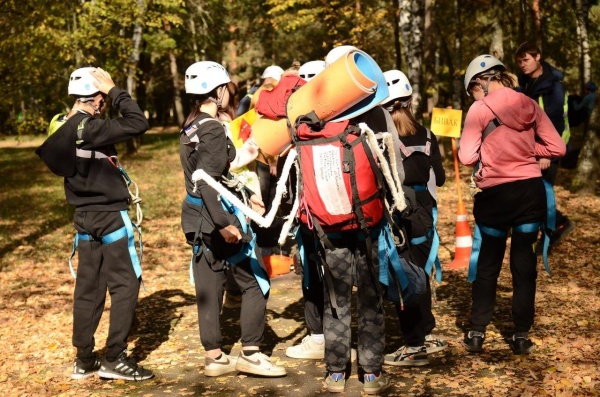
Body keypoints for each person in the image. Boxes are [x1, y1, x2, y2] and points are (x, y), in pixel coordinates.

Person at [36, 67, 153, 380]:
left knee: (88, 290)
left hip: (83, 218)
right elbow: (138, 123)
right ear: (96, 98)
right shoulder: (92, 127)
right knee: (125, 286)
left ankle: (84, 359)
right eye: (102, 96)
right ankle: (115, 358)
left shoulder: (61, 129)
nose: (105, 101)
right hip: (109, 215)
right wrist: (116, 91)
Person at [179, 61, 286, 377]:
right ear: (219, 90)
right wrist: (224, 223)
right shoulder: (212, 128)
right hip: (215, 217)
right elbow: (206, 180)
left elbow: (215, 174)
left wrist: (243, 186)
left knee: (209, 287)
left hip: (196, 217)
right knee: (255, 281)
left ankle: (214, 357)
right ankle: (251, 353)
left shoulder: (192, 126)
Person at [459, 55, 566, 354]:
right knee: (524, 264)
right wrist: (529, 150)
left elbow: (467, 157)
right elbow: (557, 147)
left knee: (489, 264)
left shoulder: (479, 109)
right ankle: (521, 335)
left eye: (472, 88)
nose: (474, 95)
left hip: (495, 196)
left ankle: (477, 331)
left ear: (480, 81)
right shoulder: (530, 104)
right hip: (529, 195)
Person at [379, 70, 448, 367]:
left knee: (405, 273)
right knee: (422, 268)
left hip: (400, 213)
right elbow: (441, 178)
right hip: (426, 212)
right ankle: (425, 331)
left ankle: (414, 341)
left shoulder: (382, 139)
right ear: (410, 100)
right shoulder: (428, 135)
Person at [515, 41, 574, 247]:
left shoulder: (553, 85)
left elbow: (555, 121)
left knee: (541, 192)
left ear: (538, 57)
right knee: (533, 192)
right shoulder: (524, 83)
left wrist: (547, 154)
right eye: (520, 61)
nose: (523, 64)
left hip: (550, 150)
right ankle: (551, 227)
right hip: (532, 148)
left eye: (527, 60)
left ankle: (555, 227)